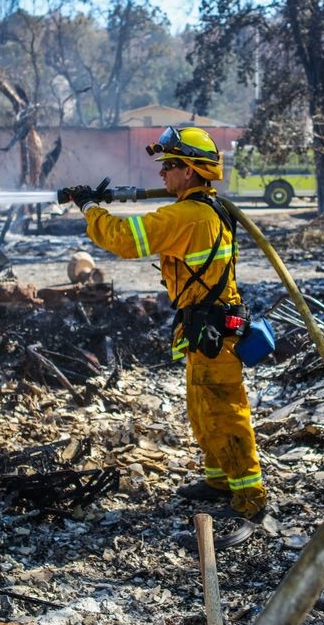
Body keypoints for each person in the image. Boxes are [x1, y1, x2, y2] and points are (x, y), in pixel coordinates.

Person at [63, 126, 268, 532]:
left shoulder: (189, 216)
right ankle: (220, 480)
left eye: (170, 166)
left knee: (224, 414)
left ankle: (249, 498)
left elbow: (125, 239)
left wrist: (90, 208)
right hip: (206, 330)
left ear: (190, 171)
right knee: (203, 410)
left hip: (214, 331)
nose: (162, 175)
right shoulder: (203, 209)